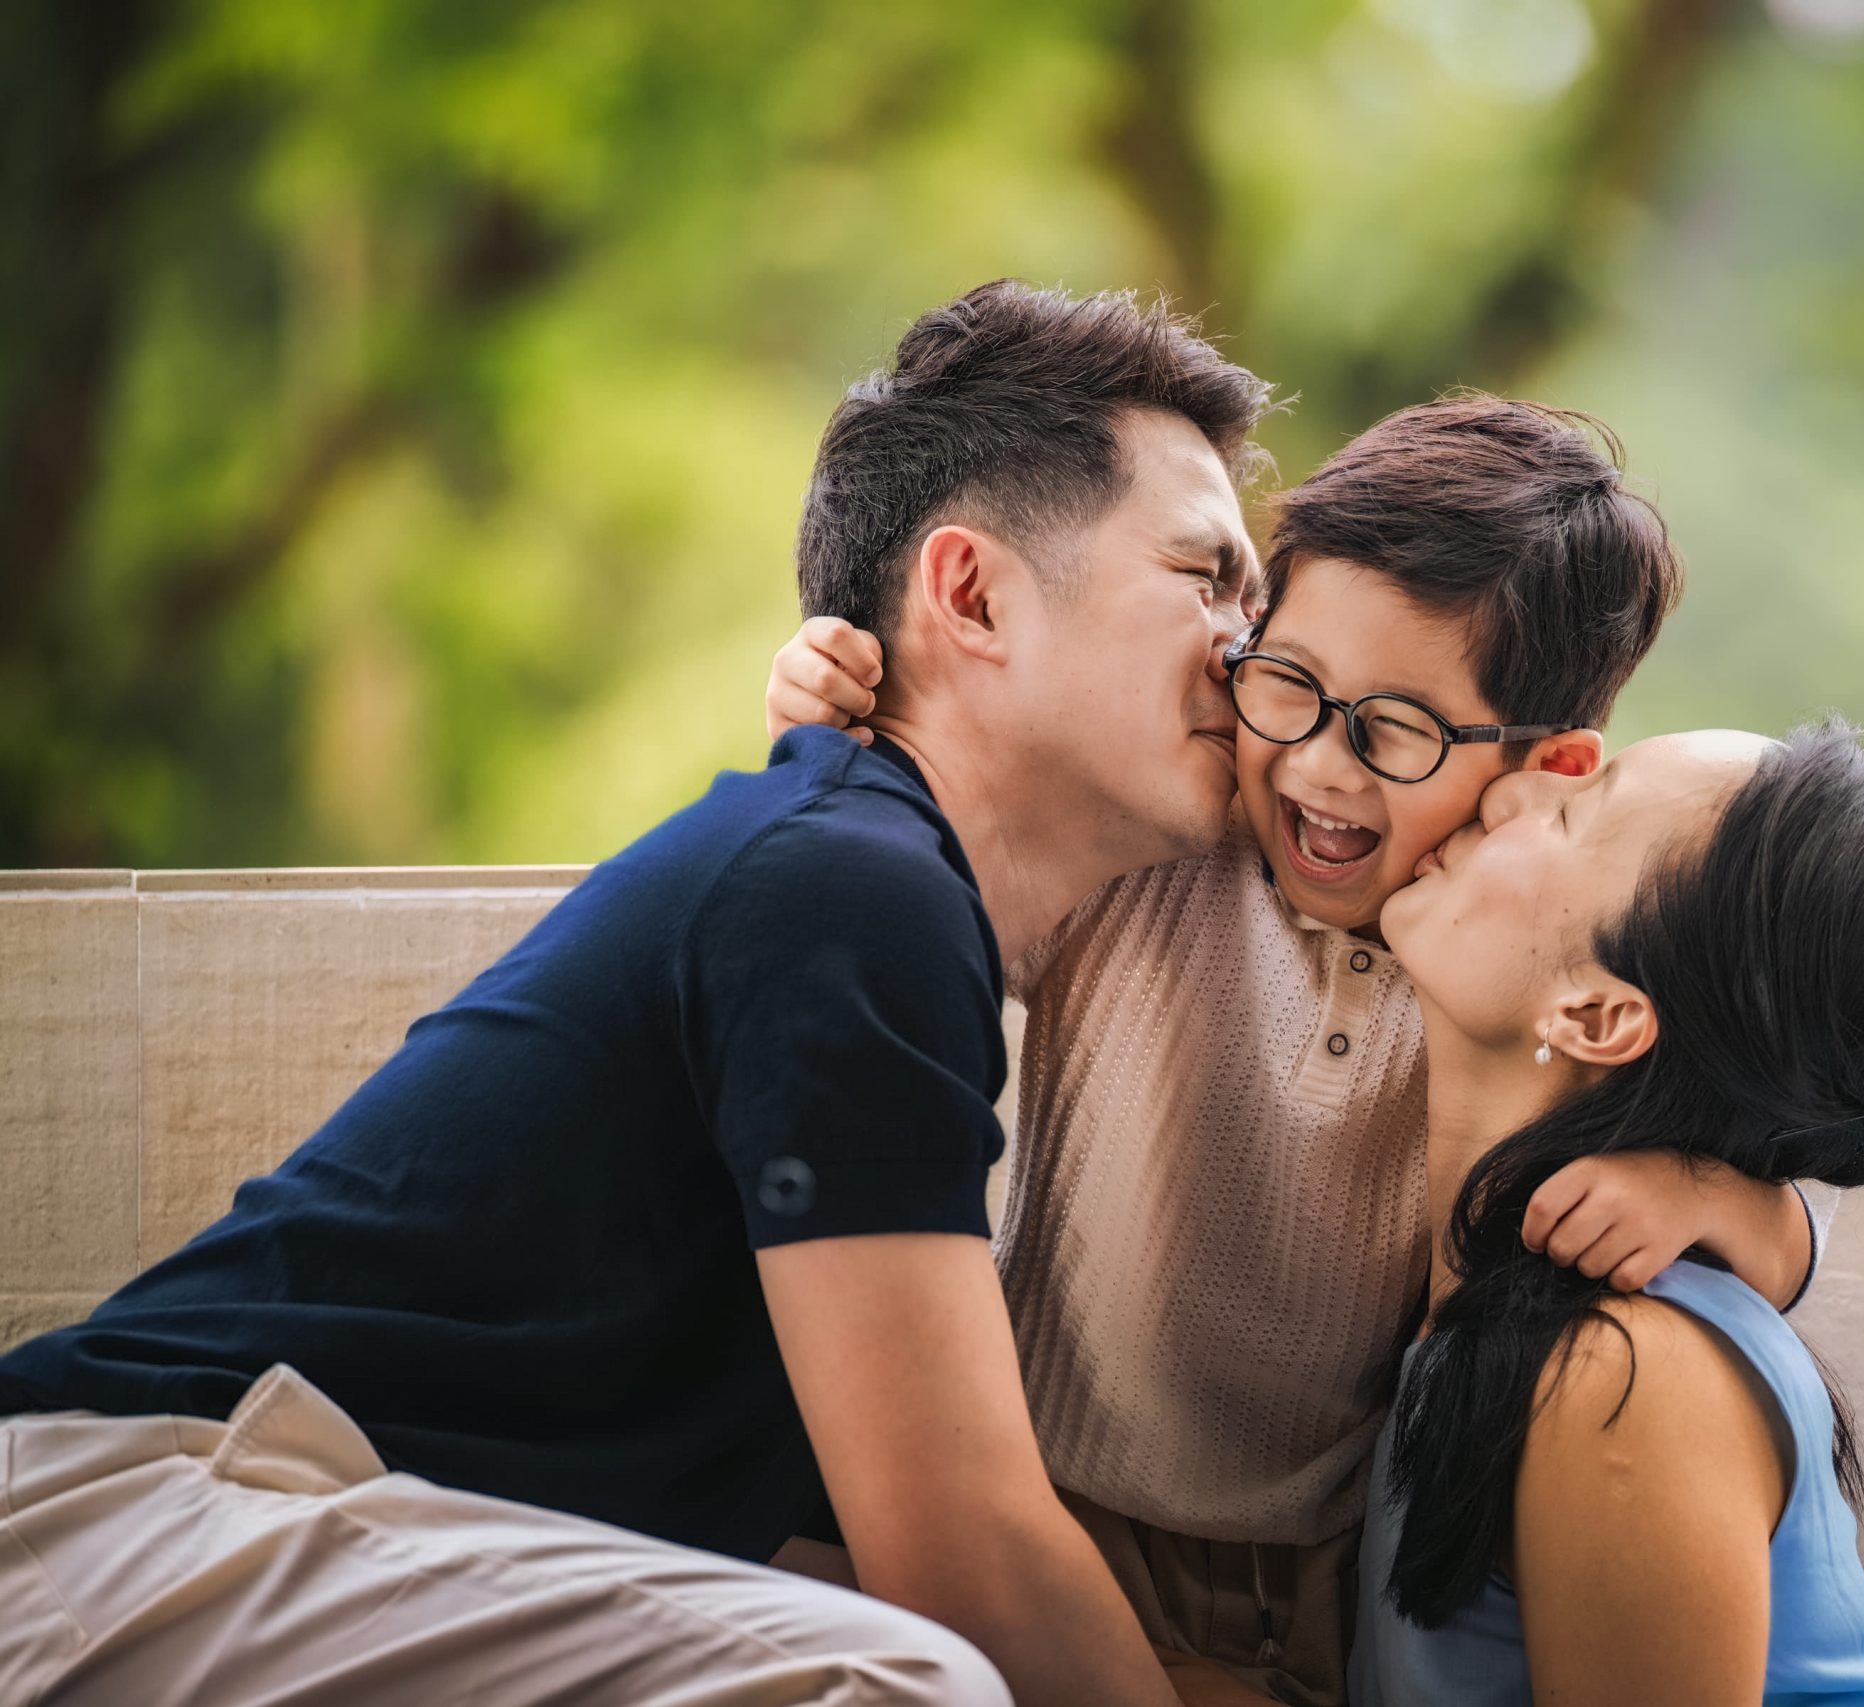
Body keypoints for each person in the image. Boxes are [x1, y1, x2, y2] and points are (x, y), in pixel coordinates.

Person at [0, 280, 1279, 1707]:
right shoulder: (849, 886)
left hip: (299, 1536)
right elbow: (961, 1553)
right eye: (1208, 575)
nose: (1255, 644)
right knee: (904, 1683)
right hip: (130, 1515)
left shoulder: (863, 876)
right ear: (972, 592)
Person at [764, 398, 1829, 1705]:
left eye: (1396, 731)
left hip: (1341, 1582)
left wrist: (1719, 1196)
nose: (1320, 765)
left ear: (1542, 766)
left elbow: (1758, 1224)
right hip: (1066, 1526)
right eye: (1288, 684)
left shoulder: (1499, 971)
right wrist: (846, 714)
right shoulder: (1153, 837)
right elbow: (910, 867)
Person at [1351, 722, 1864, 1706]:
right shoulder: (1494, 1333)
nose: (1515, 788)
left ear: (1594, 1017)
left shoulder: (1620, 1380)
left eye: (1574, 812)